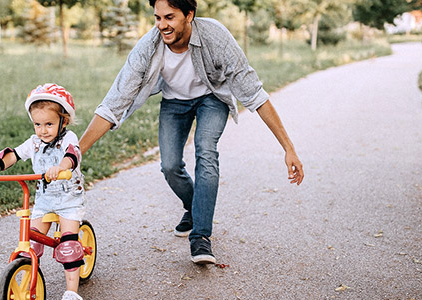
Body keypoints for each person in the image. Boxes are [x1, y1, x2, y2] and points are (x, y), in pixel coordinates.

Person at [79, 0, 304, 265]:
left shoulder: (215, 36)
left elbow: (254, 93)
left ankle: (201, 237)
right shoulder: (148, 47)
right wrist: (75, 153)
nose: (162, 25)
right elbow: (115, 101)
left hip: (212, 97)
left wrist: (288, 148)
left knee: (205, 150)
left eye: (170, 17)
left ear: (189, 14)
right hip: (174, 102)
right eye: (157, 17)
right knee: (170, 166)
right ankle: (194, 207)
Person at [0, 83, 86, 300]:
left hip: (69, 199)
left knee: (68, 245)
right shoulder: (34, 142)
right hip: (44, 201)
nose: (43, 130)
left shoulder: (68, 138)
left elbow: (72, 156)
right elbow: (12, 155)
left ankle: (72, 292)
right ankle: (27, 280)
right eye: (37, 124)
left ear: (64, 120)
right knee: (30, 244)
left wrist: (61, 167)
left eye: (49, 124)